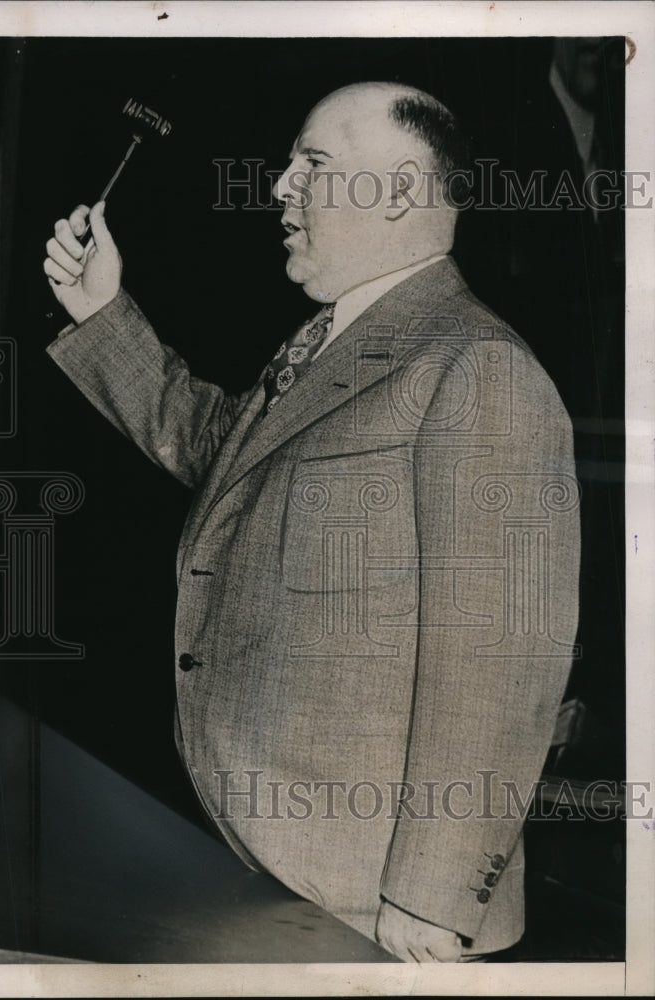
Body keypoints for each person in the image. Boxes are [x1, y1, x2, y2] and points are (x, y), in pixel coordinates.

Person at [43, 82, 580, 962]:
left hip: (375, 912)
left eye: (314, 165)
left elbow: (500, 665)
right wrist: (105, 313)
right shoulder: (336, 342)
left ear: (399, 192)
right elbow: (219, 454)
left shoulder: (477, 371)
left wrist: (433, 904)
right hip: (264, 866)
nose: (277, 186)